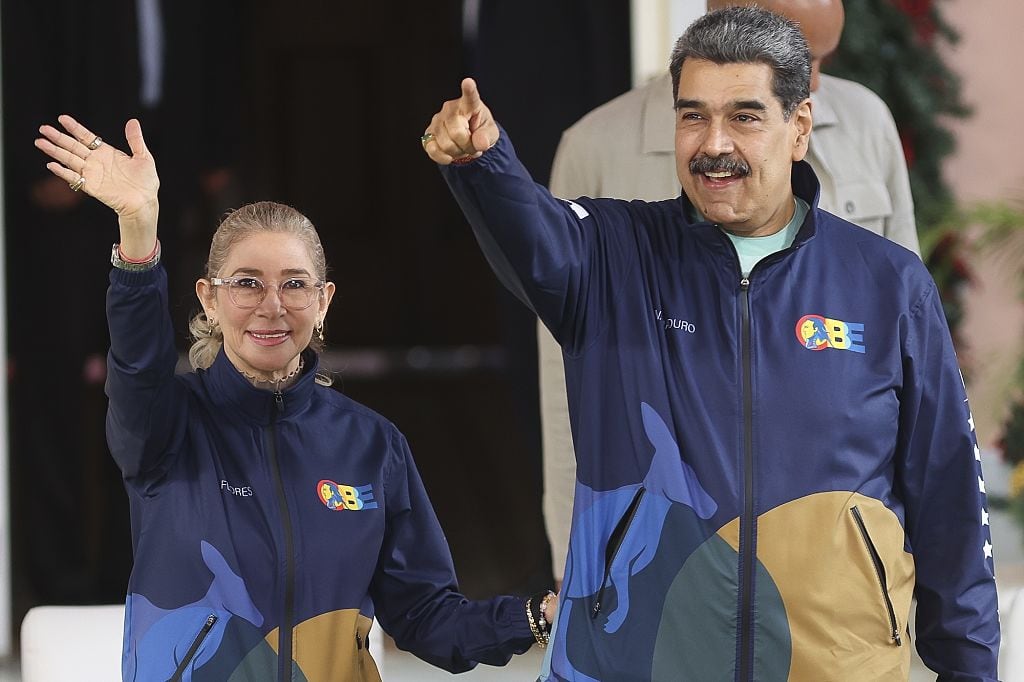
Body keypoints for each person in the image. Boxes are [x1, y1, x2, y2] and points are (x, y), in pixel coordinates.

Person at [422, 5, 999, 680]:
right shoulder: (611, 256)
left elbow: (950, 501)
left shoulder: (888, 284)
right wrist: (482, 163)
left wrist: (969, 668)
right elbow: (535, 236)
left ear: (799, 129)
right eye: (693, 115)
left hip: (834, 667)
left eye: (744, 116)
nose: (713, 143)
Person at [34, 114, 556, 680]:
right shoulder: (164, 426)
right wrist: (138, 234)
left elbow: (427, 617)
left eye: (295, 283)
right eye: (247, 282)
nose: (272, 305)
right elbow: (135, 364)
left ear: (324, 300)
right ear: (207, 299)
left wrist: (537, 615)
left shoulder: (373, 446)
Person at [540, 0, 920, 587]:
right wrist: (579, 563)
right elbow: (566, 392)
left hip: (834, 571)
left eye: (819, 60)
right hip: (673, 563)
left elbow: (912, 370)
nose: (811, 77)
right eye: (796, 54)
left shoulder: (867, 119)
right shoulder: (597, 148)